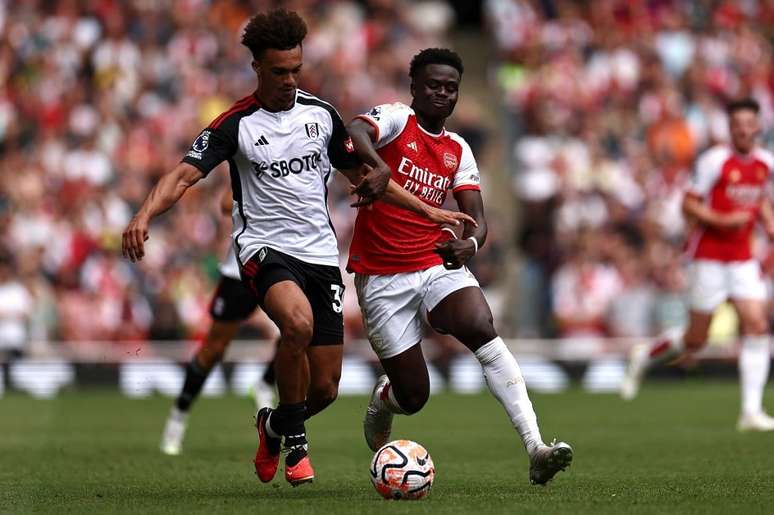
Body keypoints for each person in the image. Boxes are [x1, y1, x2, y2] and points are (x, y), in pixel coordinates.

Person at [122, 9, 472, 486]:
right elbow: (183, 175)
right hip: (263, 248)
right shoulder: (235, 124)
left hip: (320, 256)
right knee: (297, 324)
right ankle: (299, 446)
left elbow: (365, 177)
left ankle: (274, 425)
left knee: (326, 388)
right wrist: (144, 214)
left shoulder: (322, 116)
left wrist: (430, 212)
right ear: (258, 69)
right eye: (279, 72)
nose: (289, 80)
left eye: (295, 70)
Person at [346, 48, 573, 485]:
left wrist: (469, 244)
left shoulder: (458, 149)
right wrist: (376, 166)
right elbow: (354, 130)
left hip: (434, 261)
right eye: (434, 85)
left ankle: (536, 447)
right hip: (381, 275)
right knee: (414, 396)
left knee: (480, 324)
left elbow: (478, 218)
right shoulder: (396, 119)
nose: (442, 94)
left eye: (451, 88)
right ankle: (383, 399)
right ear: (414, 88)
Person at [621, 98, 774, 432]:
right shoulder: (714, 161)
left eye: (750, 124)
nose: (745, 130)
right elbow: (689, 205)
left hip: (743, 258)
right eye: (738, 125)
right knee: (695, 340)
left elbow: (760, 198)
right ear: (730, 129)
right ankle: (646, 354)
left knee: (757, 325)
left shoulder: (765, 163)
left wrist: (769, 223)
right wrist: (721, 218)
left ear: (758, 126)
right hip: (709, 257)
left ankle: (750, 410)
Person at [160, 187, 279, 456]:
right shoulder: (255, 153)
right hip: (242, 268)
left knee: (300, 326)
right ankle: (178, 415)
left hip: (287, 263)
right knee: (214, 348)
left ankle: (266, 382)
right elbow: (226, 204)